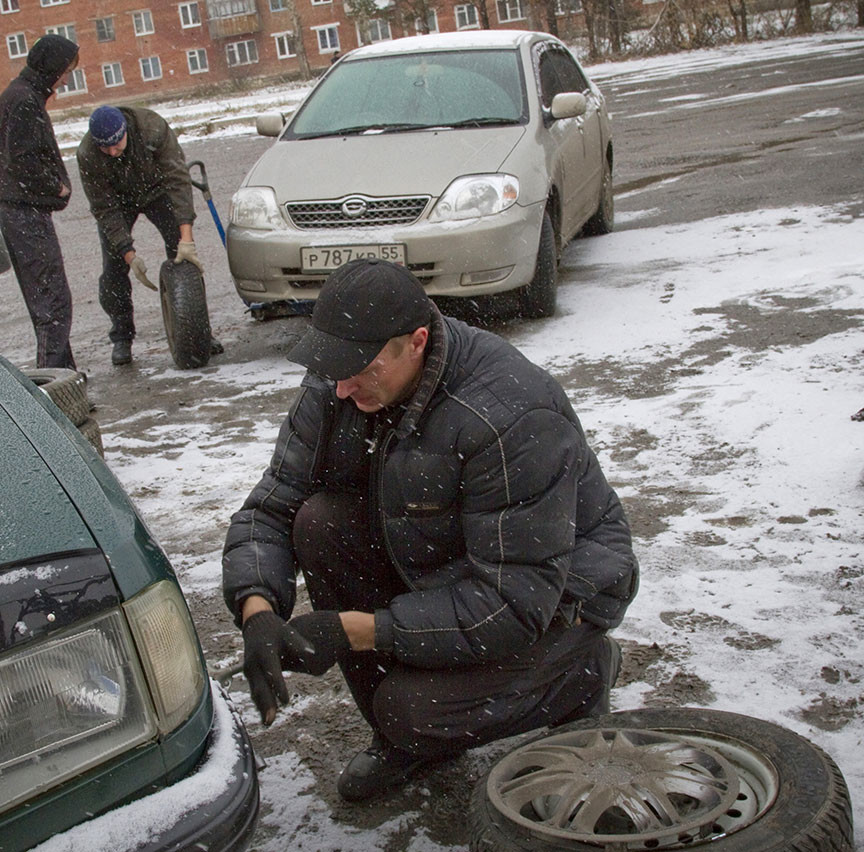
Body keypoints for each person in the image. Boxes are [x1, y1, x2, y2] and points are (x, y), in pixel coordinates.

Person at [222, 258, 639, 802]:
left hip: (556, 594)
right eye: (334, 367)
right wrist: (257, 610)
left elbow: (512, 603)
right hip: (441, 554)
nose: (343, 388)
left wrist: (350, 629)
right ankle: (408, 743)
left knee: (411, 710)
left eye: (360, 369)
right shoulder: (341, 378)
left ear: (416, 341)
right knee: (318, 523)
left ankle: (578, 674)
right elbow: (270, 508)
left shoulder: (510, 413)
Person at [77, 105, 222, 366]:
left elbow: (178, 180)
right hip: (118, 202)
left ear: (125, 132)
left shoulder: (152, 128)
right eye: (105, 148)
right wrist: (129, 255)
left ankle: (199, 332)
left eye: (116, 144)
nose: (111, 152)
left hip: (158, 190)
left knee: (183, 259)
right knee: (113, 270)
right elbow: (104, 209)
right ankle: (122, 336)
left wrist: (185, 238)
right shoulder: (88, 154)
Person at [0, 34, 80, 370]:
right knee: (53, 303)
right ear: (52, 67)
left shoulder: (19, 95)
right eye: (65, 70)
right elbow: (23, 159)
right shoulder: (25, 100)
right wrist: (55, 186)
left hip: (21, 213)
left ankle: (64, 375)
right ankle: (54, 385)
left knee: (49, 302)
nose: (66, 78)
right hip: (25, 214)